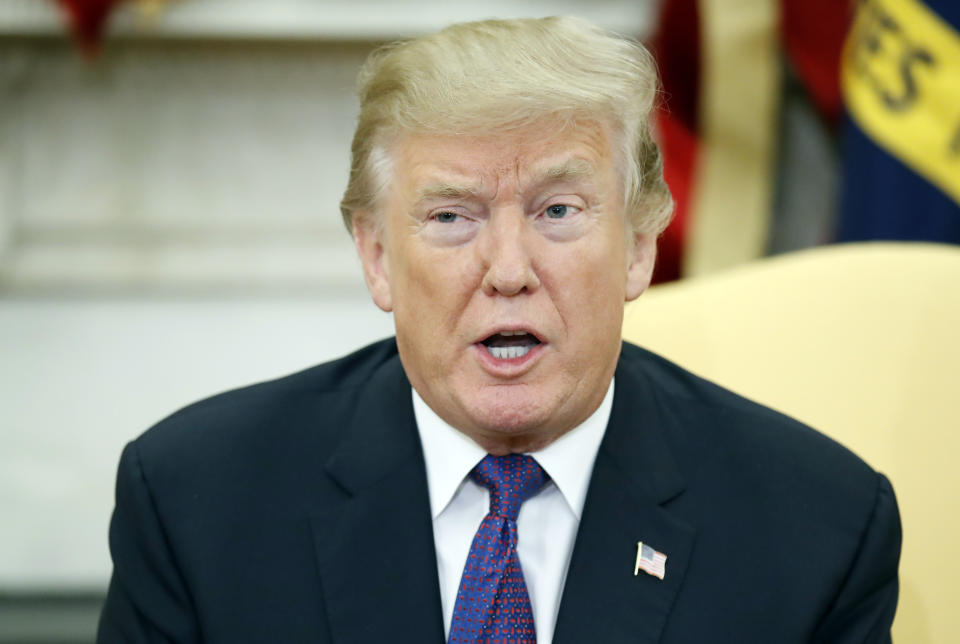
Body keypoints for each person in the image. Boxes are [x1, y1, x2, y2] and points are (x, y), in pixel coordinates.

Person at [97, 16, 901, 644]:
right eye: (452, 216)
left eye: (557, 211)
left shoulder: (816, 528)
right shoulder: (195, 505)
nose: (508, 268)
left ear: (638, 248)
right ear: (377, 258)